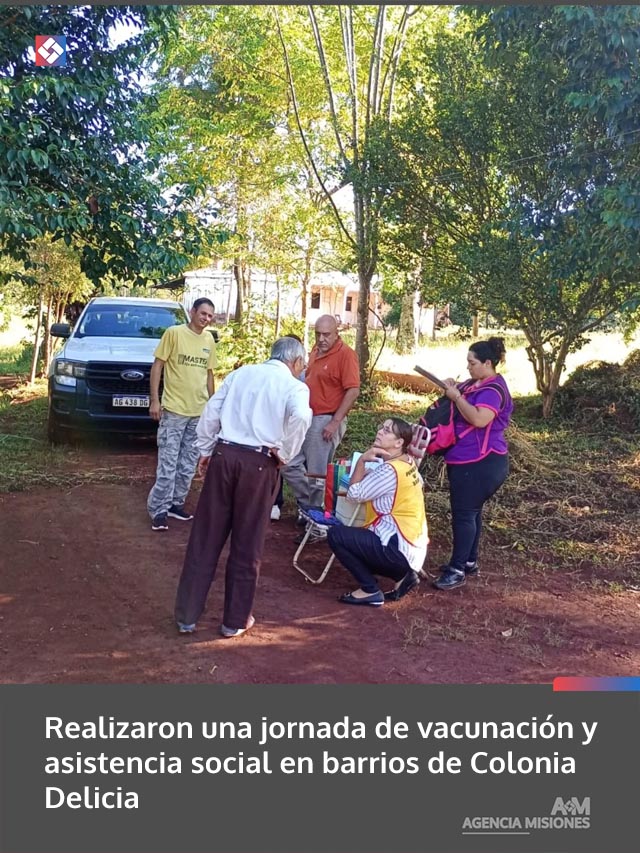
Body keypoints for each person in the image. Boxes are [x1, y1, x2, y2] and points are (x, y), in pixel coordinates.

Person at [174, 337, 311, 637]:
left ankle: (187, 616)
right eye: (304, 364)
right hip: (260, 464)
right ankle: (234, 621)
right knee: (247, 543)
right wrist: (285, 453)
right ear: (297, 362)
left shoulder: (241, 373)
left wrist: (207, 449)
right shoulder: (294, 387)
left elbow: (211, 411)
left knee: (206, 537)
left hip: (225, 455)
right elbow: (302, 416)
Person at [433, 337, 513, 591]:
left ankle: (457, 570)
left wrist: (456, 398)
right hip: (467, 458)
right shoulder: (476, 383)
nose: (468, 366)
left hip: (481, 462)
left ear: (487, 363)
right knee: (472, 512)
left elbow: (479, 419)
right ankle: (469, 561)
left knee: (464, 514)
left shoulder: (493, 391)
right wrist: (452, 388)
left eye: (472, 362)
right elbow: (462, 392)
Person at [327, 418, 428, 607]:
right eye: (381, 427)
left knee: (336, 535)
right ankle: (403, 576)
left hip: (396, 550)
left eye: (387, 430)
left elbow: (353, 495)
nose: (380, 432)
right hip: (411, 548)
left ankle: (369, 590)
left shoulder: (389, 470)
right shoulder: (408, 463)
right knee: (358, 538)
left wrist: (362, 461)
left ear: (399, 443)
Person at [147, 298, 217, 531]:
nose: (206, 319)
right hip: (174, 410)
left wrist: (212, 406)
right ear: (193, 311)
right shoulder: (174, 333)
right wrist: (155, 400)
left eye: (210, 316)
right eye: (203, 313)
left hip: (198, 413)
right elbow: (158, 366)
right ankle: (158, 509)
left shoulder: (209, 339)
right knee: (168, 462)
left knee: (188, 464)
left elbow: (208, 374)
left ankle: (176, 504)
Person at [283, 314, 360, 518]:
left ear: (337, 334)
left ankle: (315, 519)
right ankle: (310, 507)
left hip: (326, 419)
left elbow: (353, 390)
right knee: (288, 462)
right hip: (307, 415)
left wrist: (335, 422)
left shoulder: (346, 355)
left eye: (326, 334)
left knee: (316, 473)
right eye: (318, 334)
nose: (321, 339)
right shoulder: (316, 351)